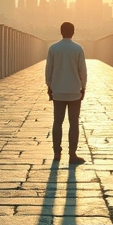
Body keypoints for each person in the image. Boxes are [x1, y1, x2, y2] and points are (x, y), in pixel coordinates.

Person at [45, 21, 87, 164]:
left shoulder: (53, 48)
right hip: (74, 91)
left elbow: (48, 70)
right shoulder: (78, 49)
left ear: (61, 31)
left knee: (57, 122)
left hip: (58, 91)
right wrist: (83, 87)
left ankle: (57, 153)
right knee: (73, 123)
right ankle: (72, 154)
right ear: (73, 32)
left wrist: (49, 86)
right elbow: (83, 71)